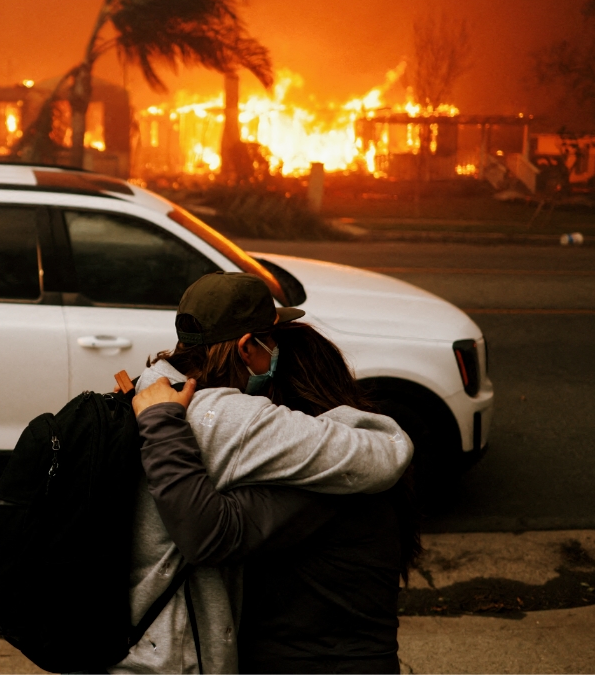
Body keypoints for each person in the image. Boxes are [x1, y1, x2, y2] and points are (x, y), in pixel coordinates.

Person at [110, 272, 413, 674]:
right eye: (270, 340)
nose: (273, 351)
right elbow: (386, 454)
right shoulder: (237, 420)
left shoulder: (144, 389)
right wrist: (357, 422)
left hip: (120, 642)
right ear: (247, 347)